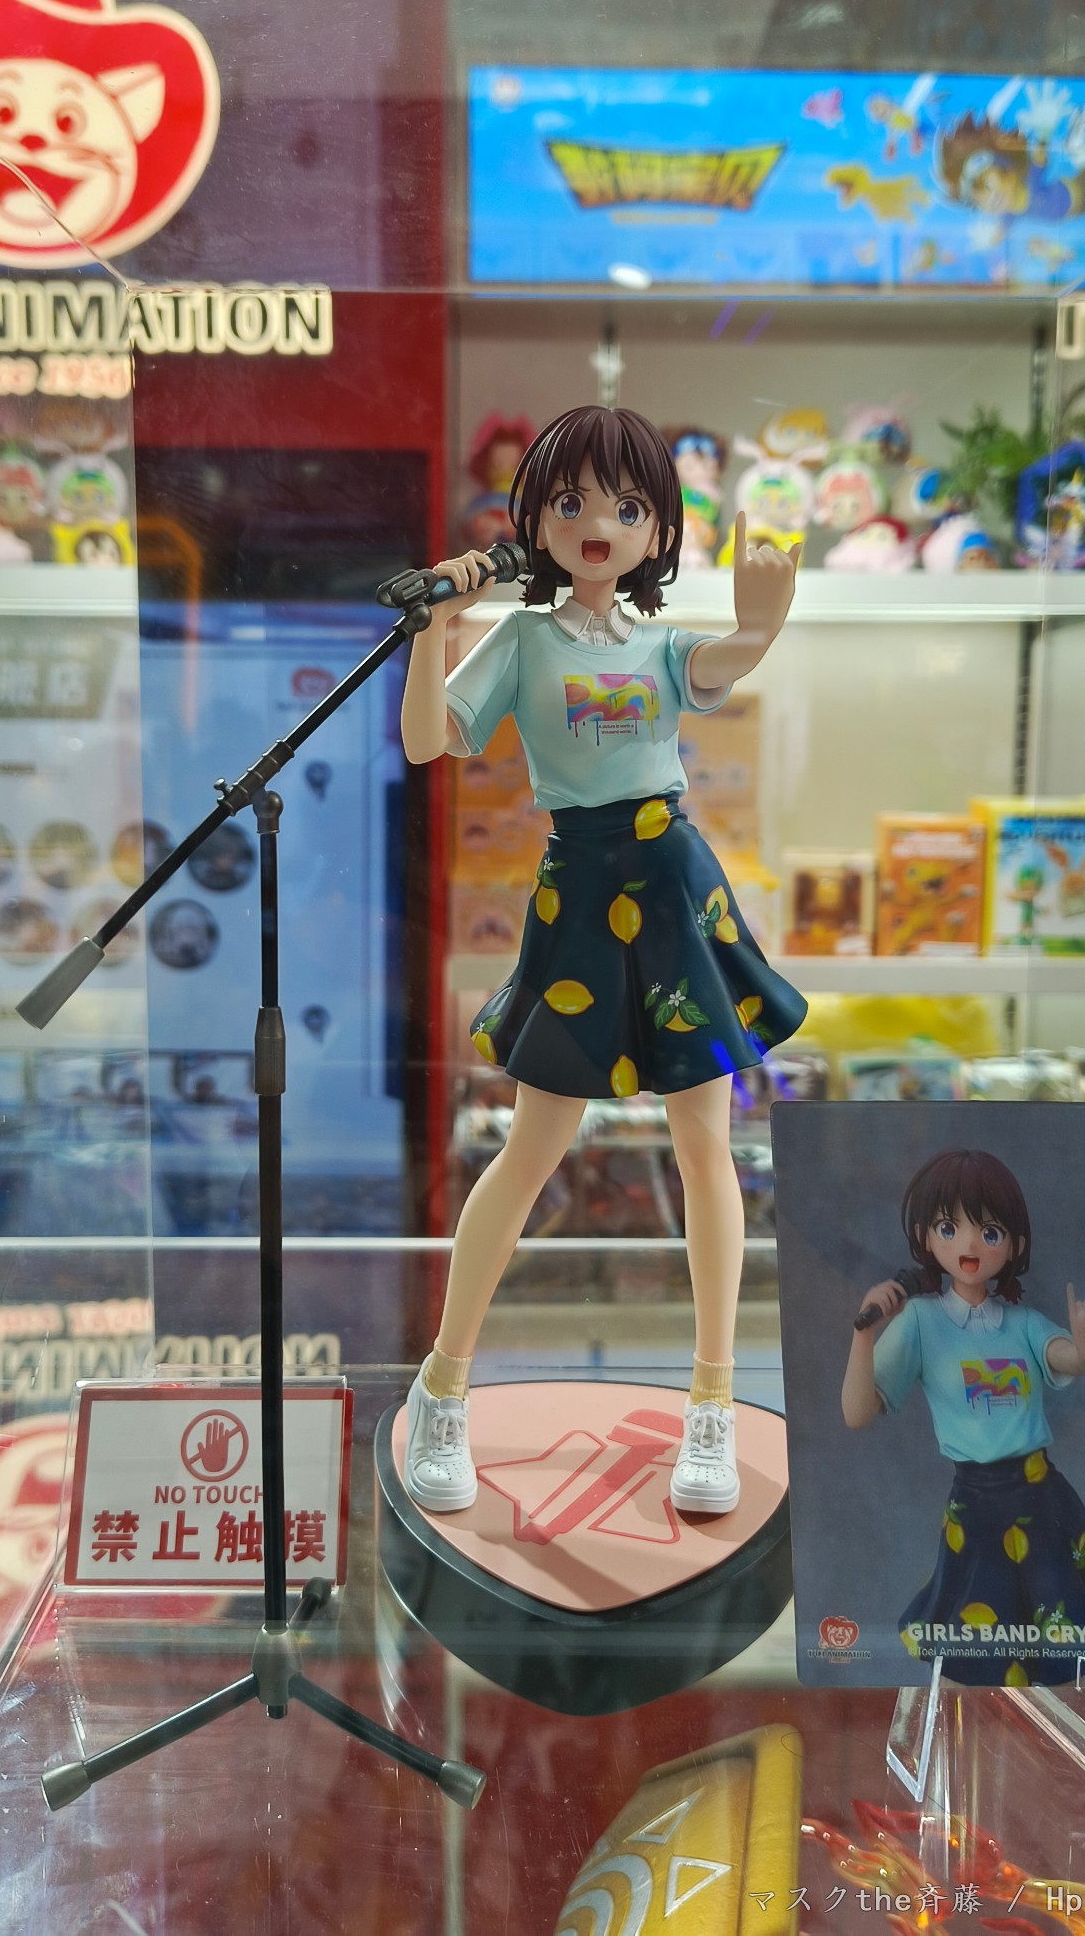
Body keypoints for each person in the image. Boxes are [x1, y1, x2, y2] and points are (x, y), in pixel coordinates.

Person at [400, 404, 807, 1519]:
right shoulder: (522, 639)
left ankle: (712, 1401)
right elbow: (431, 740)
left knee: (704, 1145)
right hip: (578, 887)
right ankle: (443, 1386)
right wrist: (434, 630)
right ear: (533, 516)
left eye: (627, 506)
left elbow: (722, 661)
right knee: (533, 1146)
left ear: (657, 530)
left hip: (672, 881)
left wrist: (762, 627)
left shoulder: (662, 646)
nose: (598, 524)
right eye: (571, 500)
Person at [842, 1146, 1085, 1685]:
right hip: (976, 1503)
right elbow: (857, 1413)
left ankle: (1062, 1708)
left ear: (1015, 1245)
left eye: (988, 1232)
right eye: (948, 1227)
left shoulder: (1022, 1322)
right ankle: (981, 1715)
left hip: (1040, 1495)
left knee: (1062, 1619)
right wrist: (863, 1336)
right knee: (976, 1626)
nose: (968, 1245)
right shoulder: (920, 1322)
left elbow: (1065, 1356)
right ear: (925, 1236)